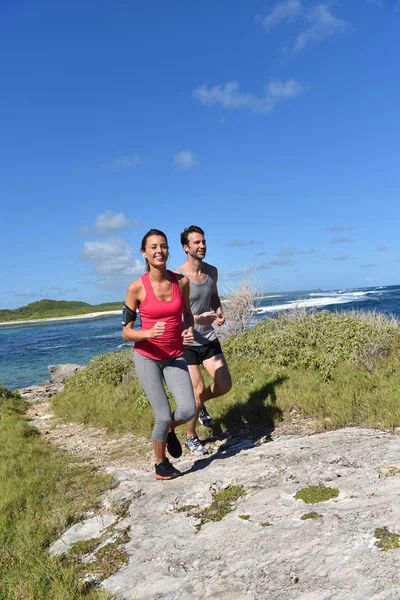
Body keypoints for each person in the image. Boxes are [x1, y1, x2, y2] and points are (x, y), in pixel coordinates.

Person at [122, 229, 196, 480]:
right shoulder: (136, 288)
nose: (159, 251)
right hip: (148, 358)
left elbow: (186, 314)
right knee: (162, 415)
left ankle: (169, 430)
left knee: (188, 409)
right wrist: (149, 333)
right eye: (153, 247)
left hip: (175, 355)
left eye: (163, 246)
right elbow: (126, 333)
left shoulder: (181, 282)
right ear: (144, 253)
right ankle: (160, 465)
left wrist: (188, 330)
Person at [175, 225, 232, 455]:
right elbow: (175, 314)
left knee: (224, 384)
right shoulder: (178, 277)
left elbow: (215, 297)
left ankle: (199, 407)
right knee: (196, 390)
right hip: (186, 339)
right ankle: (190, 436)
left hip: (207, 337)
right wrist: (198, 318)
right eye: (197, 243)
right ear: (186, 247)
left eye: (204, 242)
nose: (202, 246)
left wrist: (218, 312)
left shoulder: (212, 272)